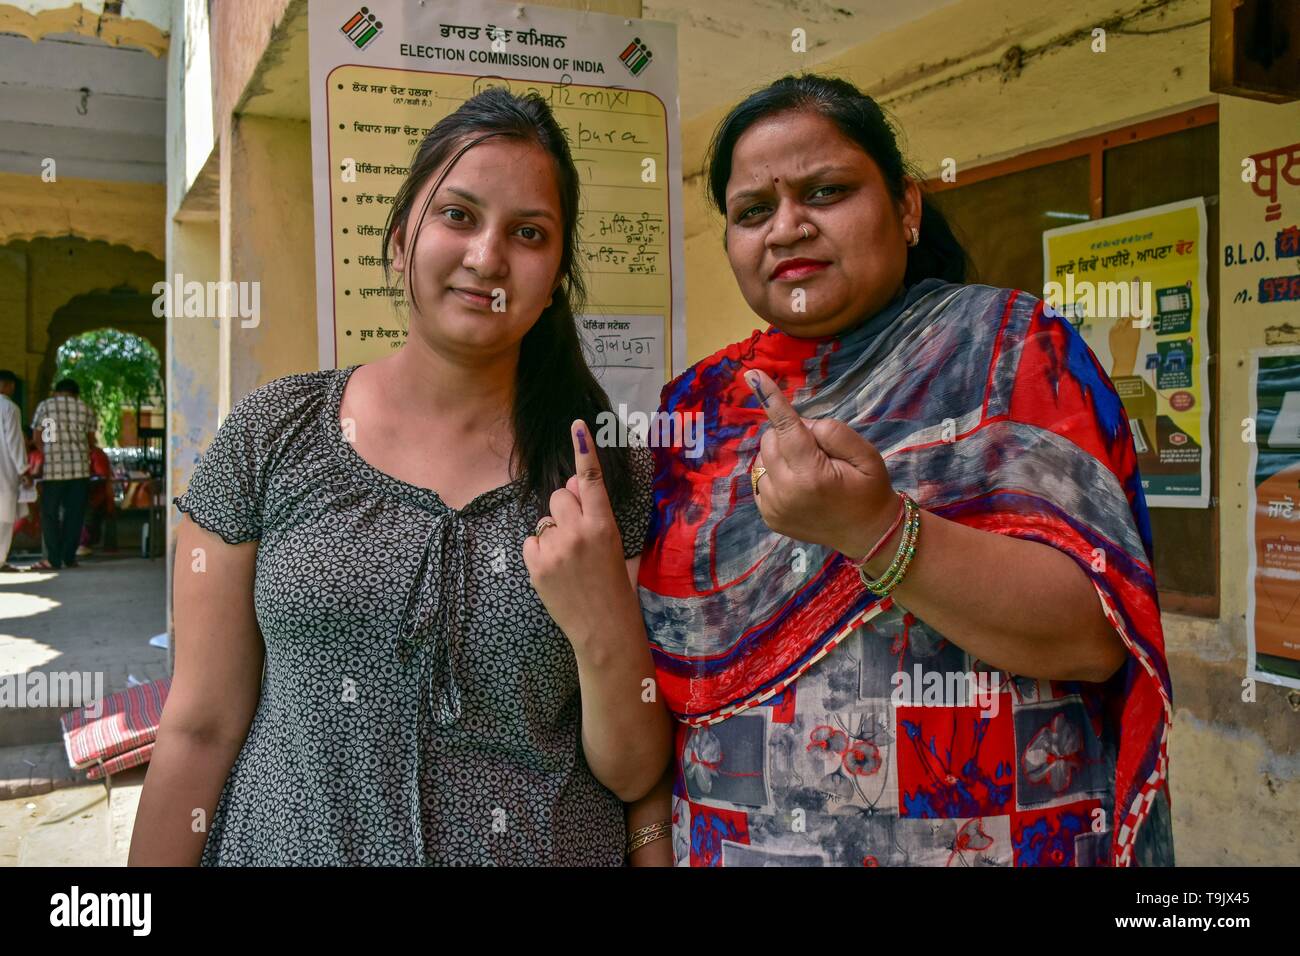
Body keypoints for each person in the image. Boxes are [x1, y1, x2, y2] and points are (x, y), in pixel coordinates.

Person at [631, 74, 1174, 867]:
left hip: (1000, 840)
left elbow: (1096, 638)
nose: (787, 228)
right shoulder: (693, 411)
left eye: (826, 191)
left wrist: (876, 531)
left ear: (907, 207)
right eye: (753, 211)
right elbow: (667, 675)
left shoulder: (1011, 350)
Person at [129, 88, 670, 866]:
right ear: (397, 242)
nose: (487, 256)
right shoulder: (272, 434)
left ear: (555, 278)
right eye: (458, 216)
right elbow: (198, 726)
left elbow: (633, 773)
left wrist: (602, 623)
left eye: (528, 233)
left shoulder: (603, 471)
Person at [29, 377, 96, 570]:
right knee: (74, 515)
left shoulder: (45, 406)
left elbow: (37, 437)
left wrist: (49, 453)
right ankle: (69, 558)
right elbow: (91, 441)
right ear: (76, 394)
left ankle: (53, 559)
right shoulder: (86, 408)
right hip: (79, 470)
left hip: (53, 472)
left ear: (57, 391)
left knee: (49, 514)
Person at [0, 369, 30, 572]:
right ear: (7, 385)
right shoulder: (9, 408)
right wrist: (23, 469)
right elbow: (14, 441)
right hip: (4, 469)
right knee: (4, 516)